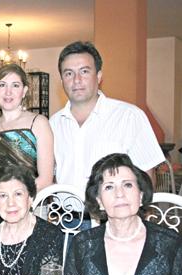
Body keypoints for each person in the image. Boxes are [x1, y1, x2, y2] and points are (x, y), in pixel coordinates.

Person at [65, 153, 182, 275]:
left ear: (140, 195)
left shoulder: (170, 243)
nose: (119, 194)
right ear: (99, 201)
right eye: (109, 187)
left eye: (127, 185)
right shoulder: (82, 244)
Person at [50, 41, 164, 194]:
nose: (76, 80)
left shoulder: (129, 117)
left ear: (99, 76)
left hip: (115, 216)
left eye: (84, 71)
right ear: (62, 80)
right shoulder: (53, 124)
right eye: (69, 73)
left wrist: (140, 213)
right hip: (66, 216)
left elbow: (147, 175)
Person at [0, 64, 54, 210]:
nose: (8, 92)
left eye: (15, 85)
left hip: (31, 208)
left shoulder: (38, 123)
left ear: (24, 91)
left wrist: (3, 200)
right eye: (2, 85)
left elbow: (46, 179)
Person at [0, 165, 63, 275]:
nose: (11, 203)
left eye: (18, 194)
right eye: (3, 196)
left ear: (30, 199)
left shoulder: (50, 236)